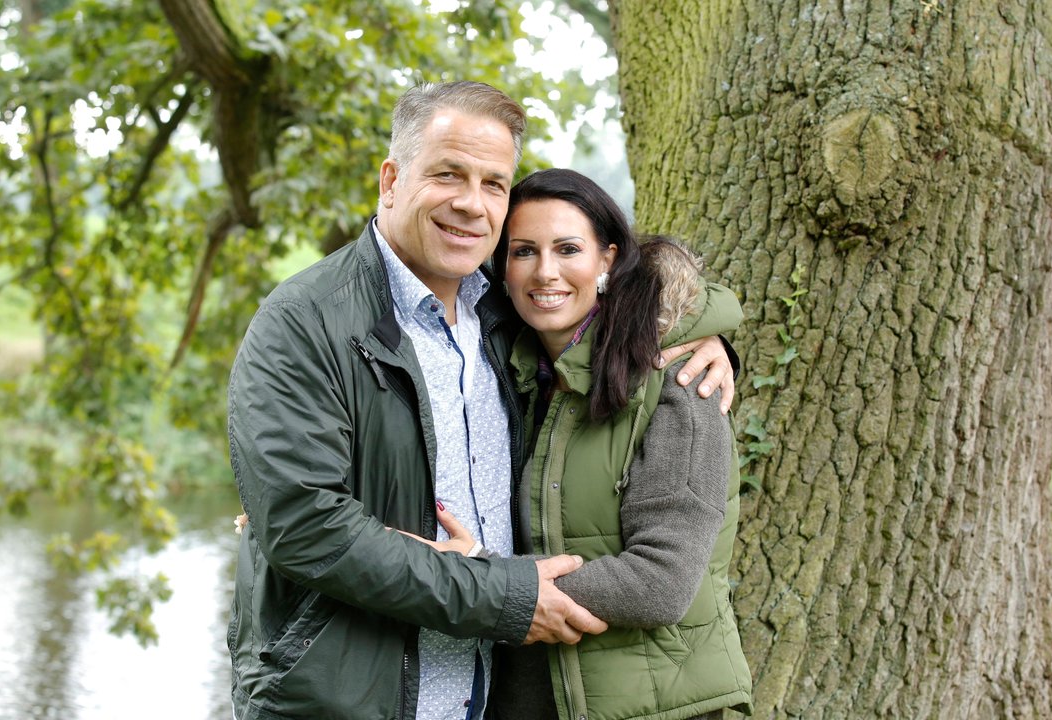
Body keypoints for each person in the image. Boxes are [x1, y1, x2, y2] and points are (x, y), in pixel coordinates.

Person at [225, 81, 736, 720]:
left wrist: (698, 330)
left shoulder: (504, 311)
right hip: (349, 698)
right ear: (391, 180)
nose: (471, 203)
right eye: (447, 175)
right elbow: (302, 523)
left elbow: (609, 292)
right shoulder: (305, 320)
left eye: (493, 184)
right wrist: (504, 593)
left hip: (486, 693)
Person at [417, 168, 754, 720]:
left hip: (657, 705)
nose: (545, 272)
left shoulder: (680, 382)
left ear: (606, 260)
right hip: (533, 694)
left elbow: (661, 582)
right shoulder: (511, 380)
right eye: (523, 251)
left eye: (568, 248)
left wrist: (488, 581)